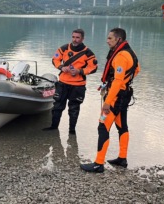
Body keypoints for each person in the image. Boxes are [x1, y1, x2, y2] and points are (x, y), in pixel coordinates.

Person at [80, 27, 140, 173]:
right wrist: (124, 82)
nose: (107, 41)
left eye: (110, 38)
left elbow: (118, 81)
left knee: (102, 126)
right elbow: (136, 69)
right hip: (124, 95)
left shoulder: (120, 56)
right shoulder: (130, 52)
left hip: (115, 98)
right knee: (122, 126)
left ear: (118, 39)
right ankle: (122, 158)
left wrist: (108, 101)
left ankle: (98, 164)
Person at [43, 28, 98, 134]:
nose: (75, 40)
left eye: (77, 38)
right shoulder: (64, 48)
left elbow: (93, 68)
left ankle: (72, 131)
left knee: (74, 109)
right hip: (63, 83)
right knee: (57, 107)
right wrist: (61, 67)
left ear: (82, 38)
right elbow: (55, 59)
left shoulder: (88, 53)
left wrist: (80, 71)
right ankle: (54, 127)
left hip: (78, 85)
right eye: (73, 37)